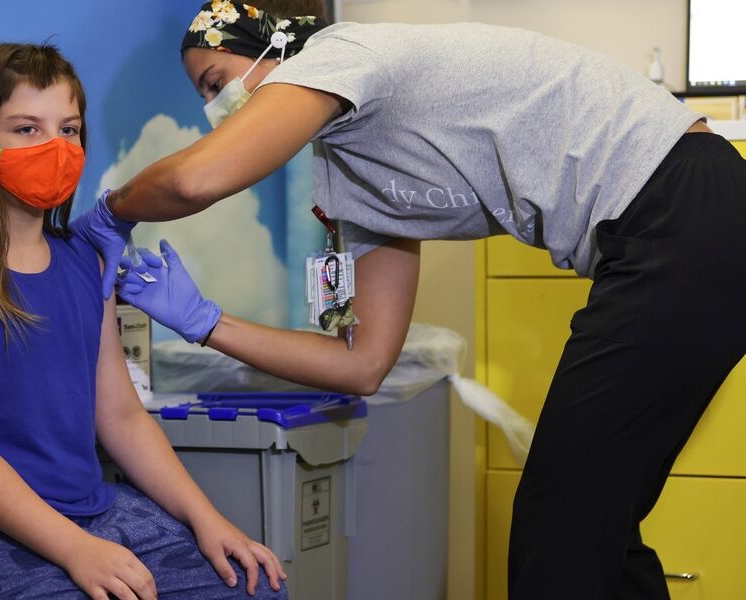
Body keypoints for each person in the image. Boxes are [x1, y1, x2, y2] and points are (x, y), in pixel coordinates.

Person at [72, 2, 746, 599]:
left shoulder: (346, 54)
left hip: (682, 208)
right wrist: (206, 322)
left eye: (216, 84)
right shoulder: (352, 176)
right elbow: (362, 364)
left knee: (562, 522)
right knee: (593, 523)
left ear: (275, 49)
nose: (215, 110)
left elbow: (197, 178)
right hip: (665, 243)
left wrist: (108, 213)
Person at [0, 42, 287, 600]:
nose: (54, 146)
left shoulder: (85, 263)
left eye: (69, 129)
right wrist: (77, 550)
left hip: (90, 508)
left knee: (251, 587)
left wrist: (208, 519)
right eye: (27, 129)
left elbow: (121, 417)